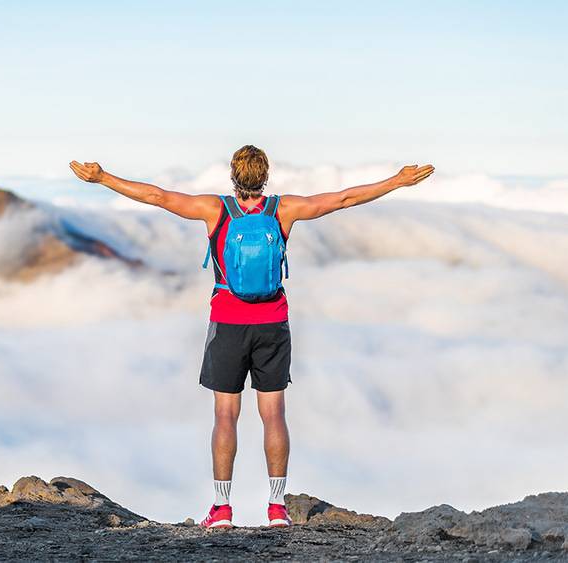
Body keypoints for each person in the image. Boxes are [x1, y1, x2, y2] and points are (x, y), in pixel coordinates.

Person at [69, 146, 434, 528]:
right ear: (265, 176)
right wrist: (397, 180)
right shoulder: (283, 211)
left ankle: (222, 509)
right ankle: (277, 509)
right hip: (273, 322)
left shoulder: (217, 211)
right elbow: (342, 199)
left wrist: (103, 178)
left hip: (227, 322)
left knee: (226, 416)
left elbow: (158, 197)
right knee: (273, 414)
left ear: (233, 176)